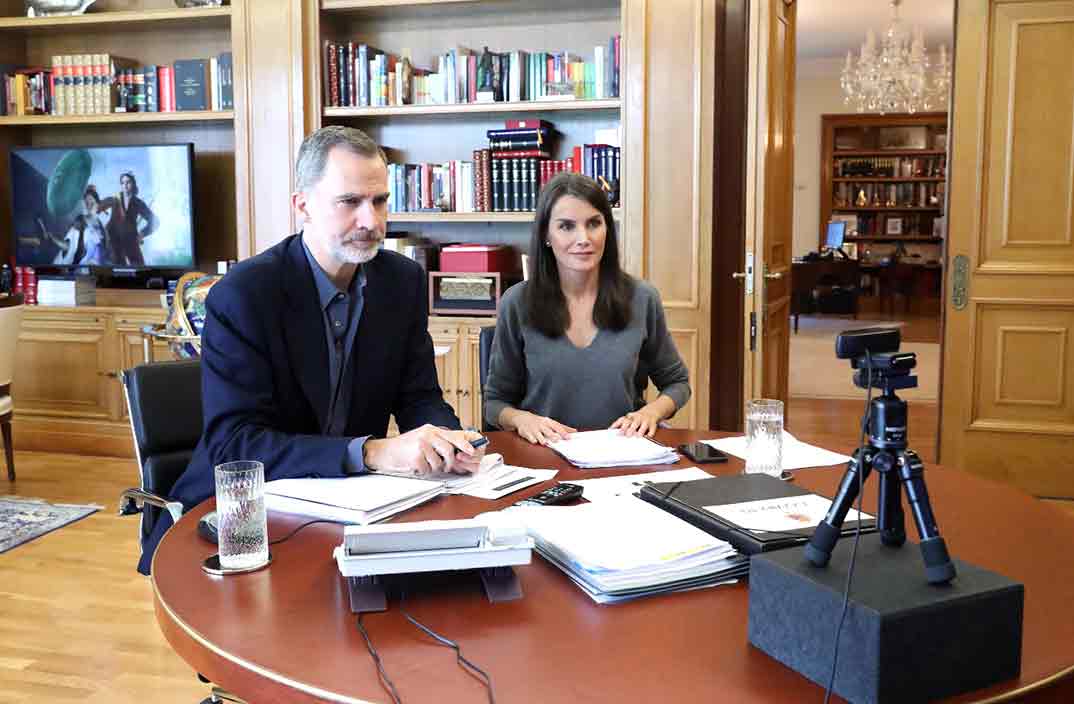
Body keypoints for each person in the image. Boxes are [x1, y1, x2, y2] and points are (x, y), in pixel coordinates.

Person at [137, 126, 484, 574]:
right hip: (240, 515)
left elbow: (418, 396)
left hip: (348, 506)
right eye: (350, 202)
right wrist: (372, 452)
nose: (372, 222)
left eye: (379, 201)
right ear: (303, 206)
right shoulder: (245, 294)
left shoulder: (403, 281)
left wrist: (447, 441)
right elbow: (234, 444)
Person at [484, 172, 691, 445]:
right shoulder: (517, 302)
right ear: (546, 234)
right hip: (544, 454)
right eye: (566, 226)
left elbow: (678, 384)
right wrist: (522, 419)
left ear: (608, 229)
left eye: (594, 223)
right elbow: (495, 404)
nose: (584, 238)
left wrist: (651, 412)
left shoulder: (642, 298)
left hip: (620, 453)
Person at [98, 172, 158, 266]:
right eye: (122, 183)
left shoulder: (138, 203)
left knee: (139, 268)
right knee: (117, 269)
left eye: (128, 182)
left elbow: (155, 221)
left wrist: (142, 234)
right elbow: (97, 206)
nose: (125, 185)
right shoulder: (115, 199)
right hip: (114, 241)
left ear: (133, 184)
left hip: (131, 240)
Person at [43, 186, 108, 266]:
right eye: (87, 202)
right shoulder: (81, 221)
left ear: (97, 203)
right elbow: (69, 247)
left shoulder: (101, 226)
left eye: (91, 201)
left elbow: (103, 251)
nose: (89, 205)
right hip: (81, 268)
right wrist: (53, 238)